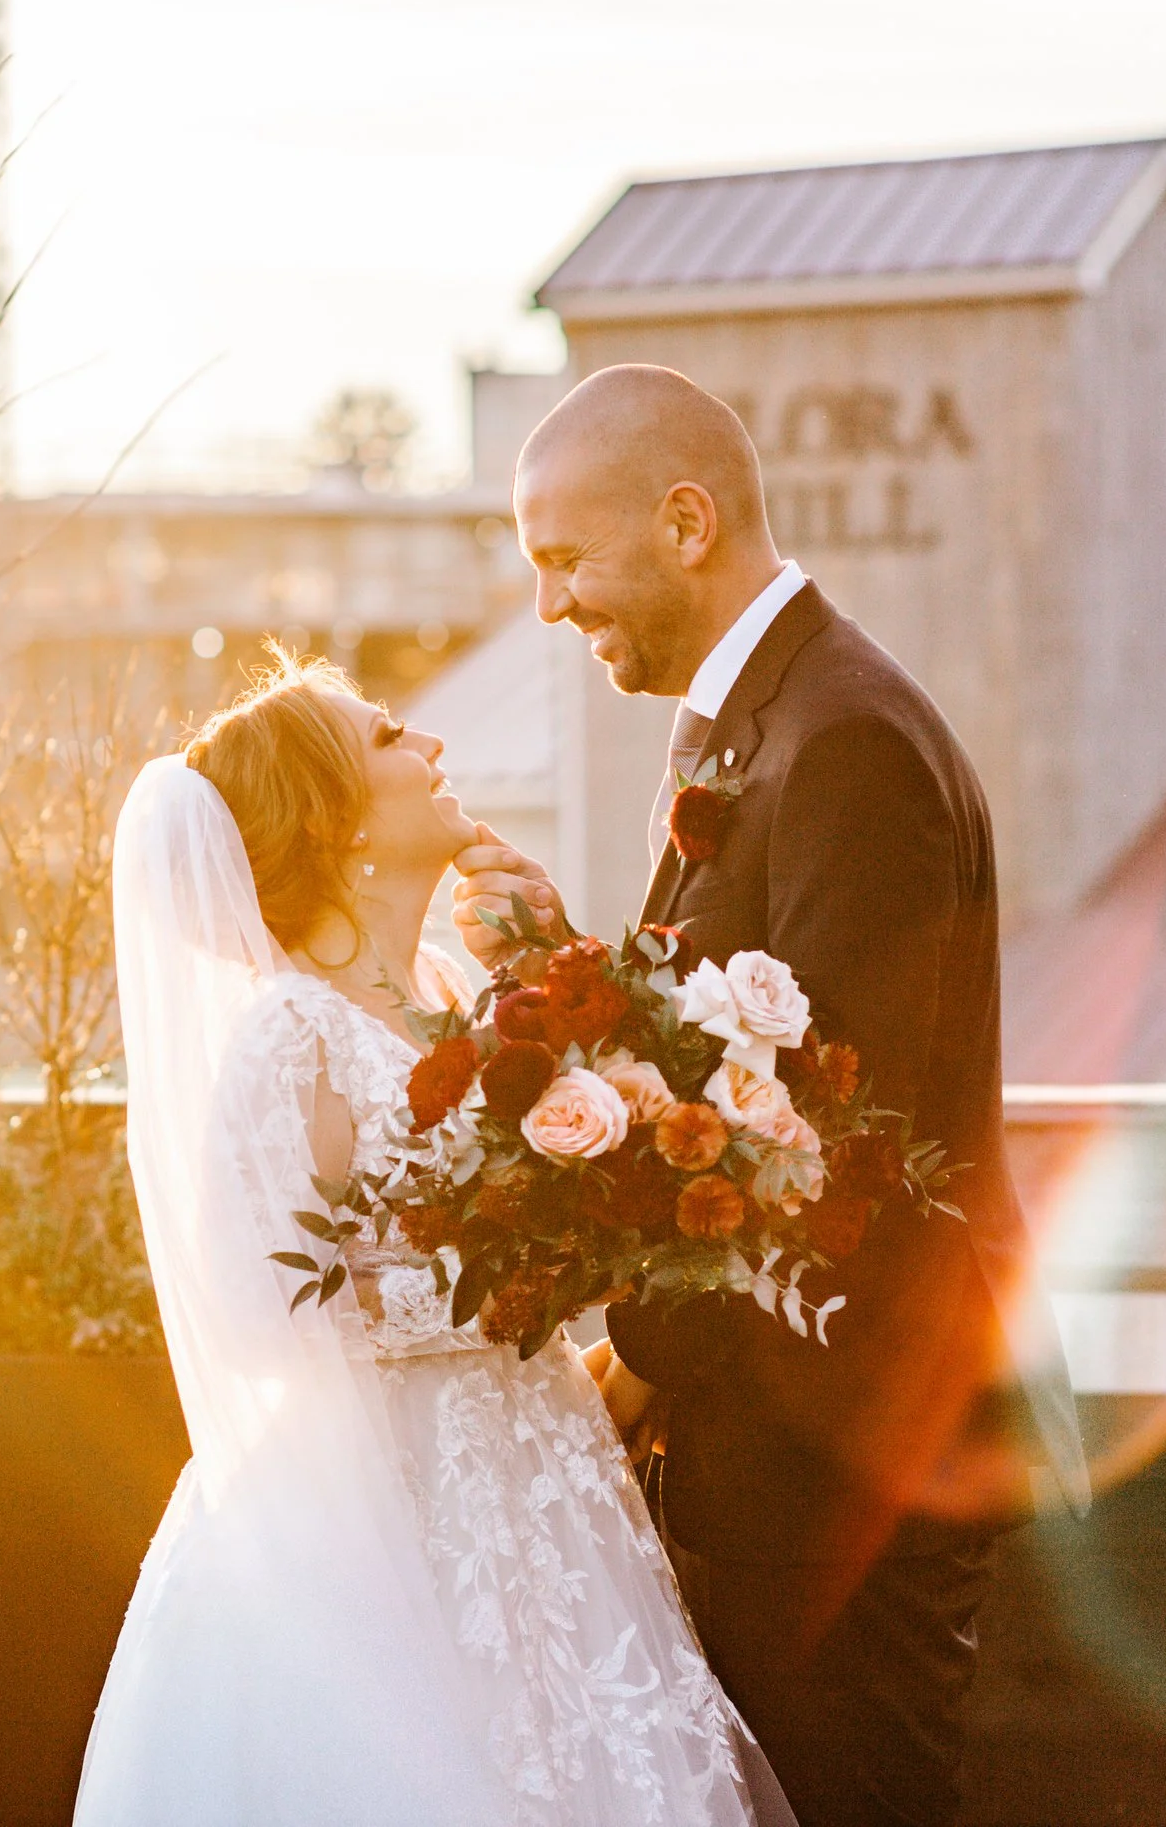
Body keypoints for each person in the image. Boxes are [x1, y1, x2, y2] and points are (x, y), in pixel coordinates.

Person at [450, 364, 1091, 1827]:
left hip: (851, 1468)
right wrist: (566, 962)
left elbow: (828, 1152)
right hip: (787, 1457)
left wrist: (643, 1353)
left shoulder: (848, 739)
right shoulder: (773, 722)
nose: (549, 608)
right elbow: (734, 1064)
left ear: (686, 519)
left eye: (566, 560)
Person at [74, 654, 792, 1827]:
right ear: (336, 817)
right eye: (396, 736)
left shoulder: (460, 994)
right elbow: (259, 1313)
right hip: (383, 1514)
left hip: (539, 1477)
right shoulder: (289, 1035)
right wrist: (502, 1275)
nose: (437, 748)